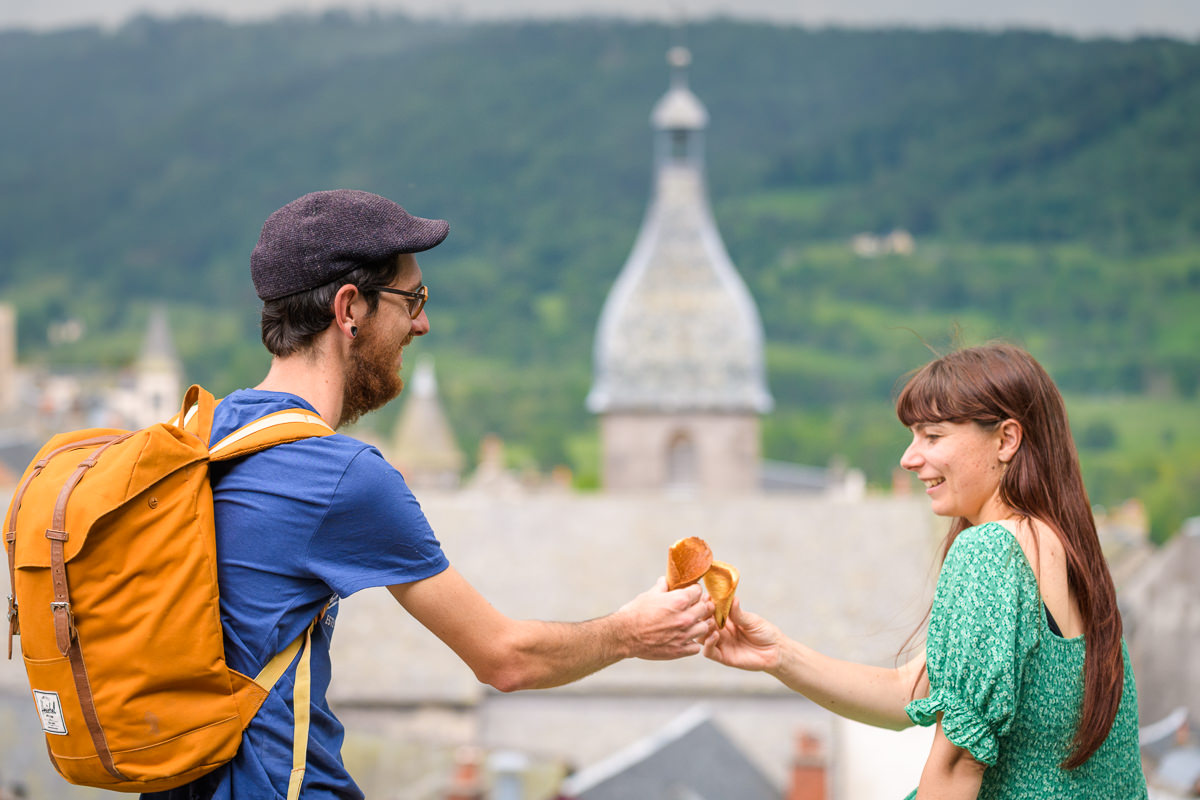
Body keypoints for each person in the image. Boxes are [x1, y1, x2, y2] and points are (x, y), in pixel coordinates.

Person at [144, 189, 713, 800]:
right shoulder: (339, 476)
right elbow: (506, 659)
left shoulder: (199, 438)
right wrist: (631, 632)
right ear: (349, 309)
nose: (422, 322)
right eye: (412, 299)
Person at [703, 343, 1147, 798]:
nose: (909, 457)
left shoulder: (991, 552)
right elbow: (909, 693)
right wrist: (778, 655)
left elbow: (958, 764)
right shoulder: (1066, 547)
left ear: (1006, 439)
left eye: (932, 436)